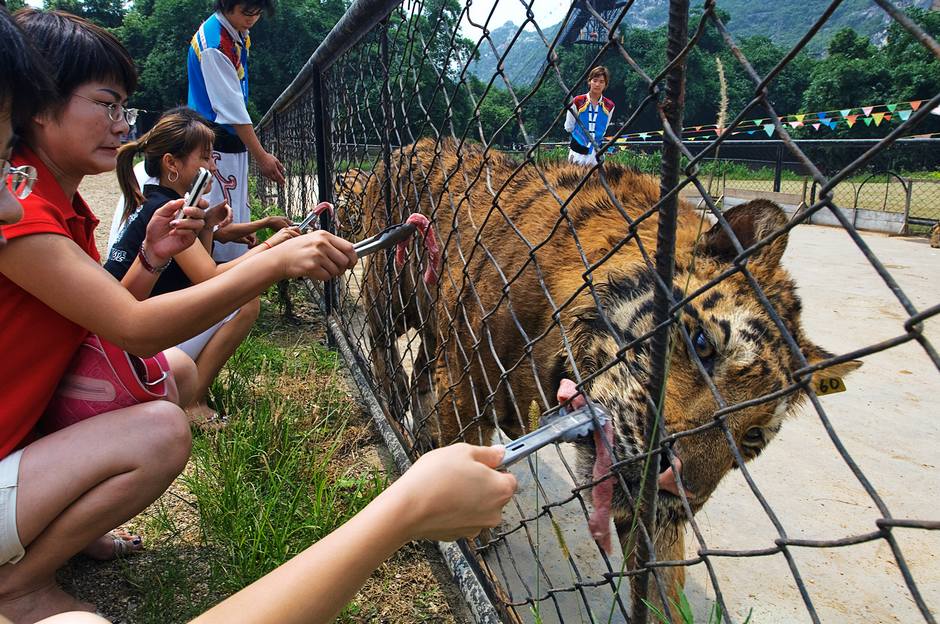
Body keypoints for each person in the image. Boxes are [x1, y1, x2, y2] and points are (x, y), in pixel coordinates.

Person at [0, 9, 357, 622]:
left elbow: (99, 317)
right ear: (36, 108)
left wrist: (146, 259)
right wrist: (272, 264)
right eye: (108, 105)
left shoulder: (59, 203)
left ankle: (68, 529)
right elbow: (131, 327)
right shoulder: (25, 213)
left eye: (124, 110)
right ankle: (20, 585)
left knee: (176, 376)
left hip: (23, 438)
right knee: (164, 429)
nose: (122, 125)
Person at [107, 107, 300, 425]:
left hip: (127, 331)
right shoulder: (172, 212)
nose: (213, 166)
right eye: (206, 159)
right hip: (126, 346)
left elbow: (201, 272)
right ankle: (193, 401)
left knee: (233, 295)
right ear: (172, 164)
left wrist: (208, 227)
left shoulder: (162, 203)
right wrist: (273, 247)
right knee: (243, 302)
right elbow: (210, 278)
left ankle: (184, 386)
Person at [187, 0, 288, 263]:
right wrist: (261, 155)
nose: (253, 18)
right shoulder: (215, 46)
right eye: (247, 11)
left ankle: (229, 281)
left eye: (258, 12)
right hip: (216, 144)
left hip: (226, 141)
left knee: (231, 215)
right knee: (220, 219)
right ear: (227, 4)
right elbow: (232, 110)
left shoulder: (235, 33)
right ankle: (220, 283)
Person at [564, 66, 615, 167]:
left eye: (601, 81)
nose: (597, 84)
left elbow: (604, 129)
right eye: (595, 80)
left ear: (605, 84)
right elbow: (569, 126)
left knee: (597, 181)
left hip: (597, 153)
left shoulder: (609, 105)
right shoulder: (577, 101)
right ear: (589, 81)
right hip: (577, 152)